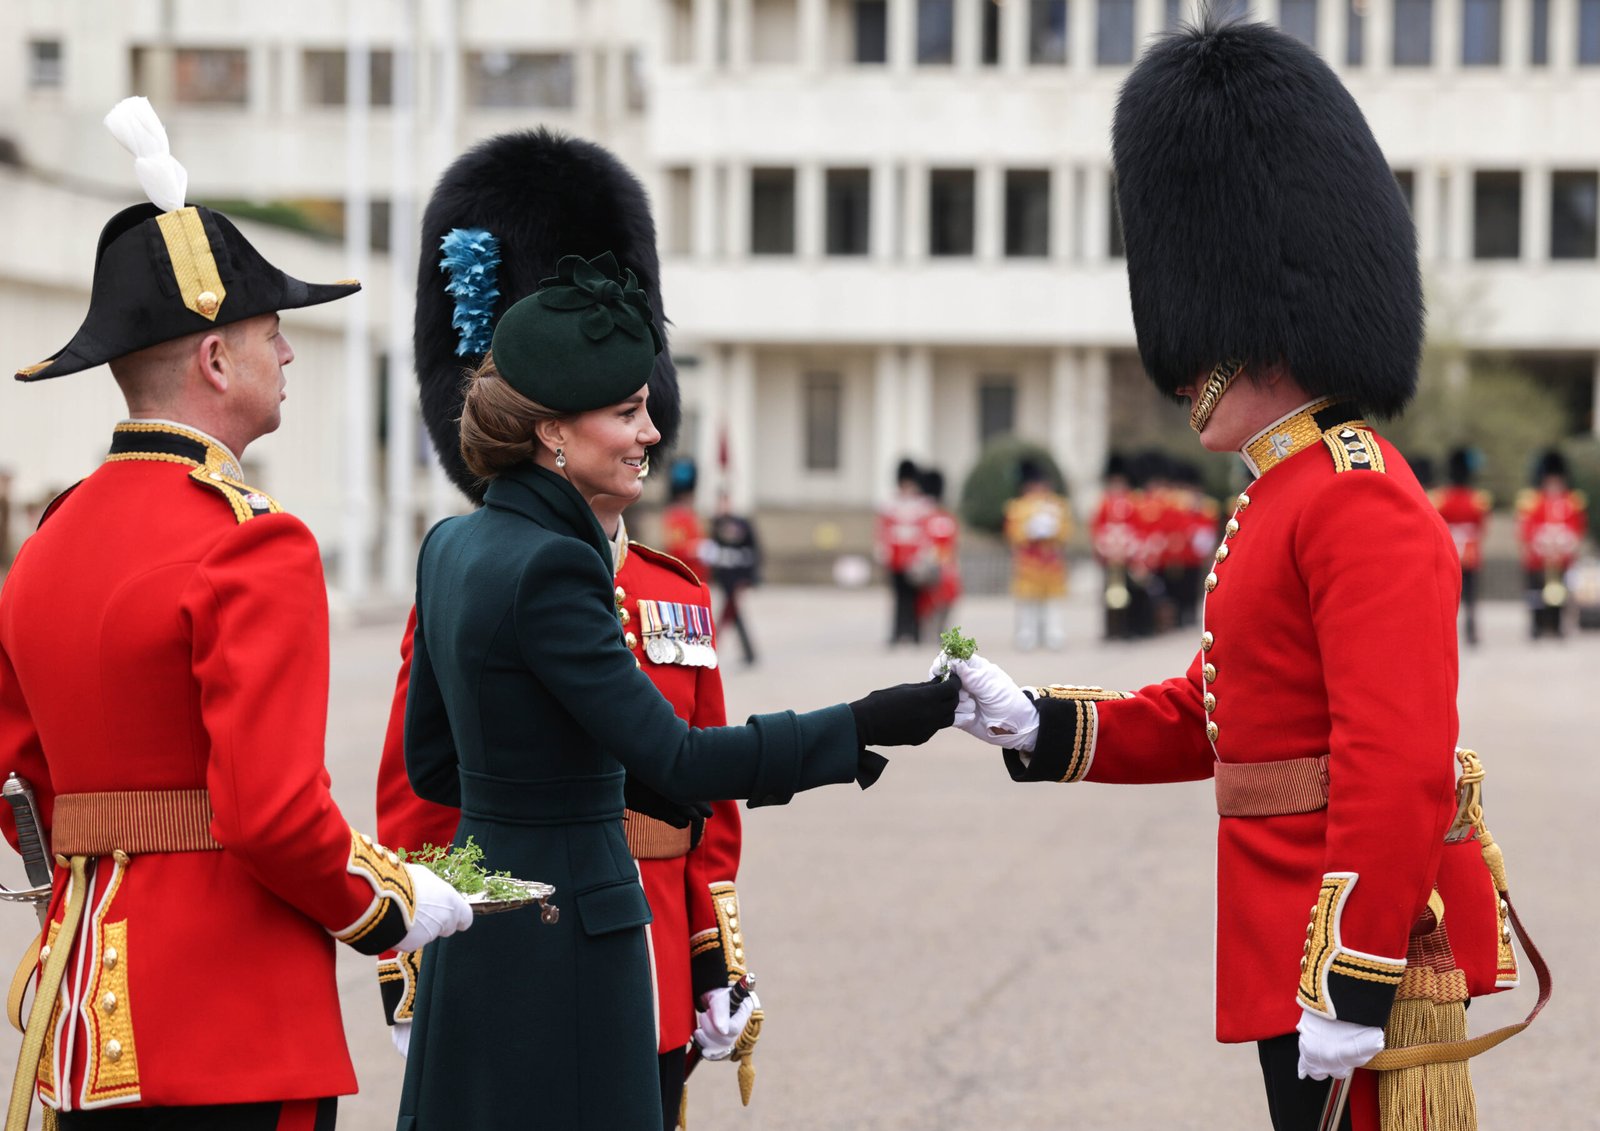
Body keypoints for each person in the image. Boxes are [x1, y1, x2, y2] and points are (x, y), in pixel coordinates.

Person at [939, 21, 1514, 1131]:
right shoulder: (1282, 490)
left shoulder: (1352, 492)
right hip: (1280, 940)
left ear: (1255, 327)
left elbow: (1394, 763)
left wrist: (1352, 975)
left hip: (1348, 950)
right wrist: (1041, 726)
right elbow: (1223, 718)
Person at [394, 248, 957, 1130]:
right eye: (626, 412)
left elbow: (432, 766)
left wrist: (539, 804)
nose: (651, 432)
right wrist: (862, 724)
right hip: (575, 939)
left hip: (485, 928)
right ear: (553, 433)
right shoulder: (554, 564)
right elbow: (681, 759)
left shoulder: (449, 547)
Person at [0, 98, 471, 1131]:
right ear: (215, 359)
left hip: (86, 1013)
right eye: (271, 334)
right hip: (230, 1024)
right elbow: (270, 812)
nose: (288, 357)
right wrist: (391, 906)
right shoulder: (253, 539)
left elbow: (21, 790)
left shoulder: (46, 545)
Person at [372, 130, 763, 1129]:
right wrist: (412, 960)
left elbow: (705, 798)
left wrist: (713, 953)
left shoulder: (673, 589)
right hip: (519, 938)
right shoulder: (475, 572)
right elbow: (422, 786)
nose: (641, 429)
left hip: (653, 950)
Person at [1516, 448, 1587, 640]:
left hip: (1561, 556)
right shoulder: (1533, 501)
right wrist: (1542, 546)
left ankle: (1556, 625)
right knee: (1536, 594)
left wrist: (1564, 546)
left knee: (1559, 594)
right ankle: (1537, 625)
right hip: (1538, 557)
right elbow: (1527, 528)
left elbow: (1576, 528)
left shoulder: (1572, 502)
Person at [1003, 459, 1072, 650]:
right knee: (1028, 603)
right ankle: (1027, 635)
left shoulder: (1058, 505)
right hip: (1029, 562)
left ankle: (1054, 634)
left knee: (1053, 602)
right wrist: (1030, 531)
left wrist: (1054, 531)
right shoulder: (1017, 507)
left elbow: (1066, 532)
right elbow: (1013, 534)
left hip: (1051, 561)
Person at [1431, 448, 1493, 645]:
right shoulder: (1478, 500)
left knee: (1446, 596)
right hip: (1470, 551)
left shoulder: (1441, 498)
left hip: (1449, 551)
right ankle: (1471, 632)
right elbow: (1481, 527)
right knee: (1471, 597)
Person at [877, 459, 933, 645]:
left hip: (914, 559)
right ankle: (898, 632)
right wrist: (883, 550)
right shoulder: (890, 505)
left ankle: (915, 633)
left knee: (916, 599)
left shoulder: (923, 505)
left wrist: (923, 555)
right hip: (896, 558)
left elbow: (926, 533)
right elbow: (884, 530)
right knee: (898, 597)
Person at [707, 493, 763, 667]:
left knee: (729, 613)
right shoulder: (716, 524)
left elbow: (753, 549)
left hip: (738, 575)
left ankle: (712, 648)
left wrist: (750, 576)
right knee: (733, 614)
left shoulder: (741, 523)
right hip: (725, 576)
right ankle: (748, 653)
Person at [1090, 454, 1140, 640]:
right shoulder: (1104, 504)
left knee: (1127, 593)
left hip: (1126, 555)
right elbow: (1097, 528)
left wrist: (1129, 550)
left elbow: (1137, 529)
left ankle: (1125, 627)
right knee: (1107, 594)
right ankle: (1111, 630)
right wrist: (1104, 549)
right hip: (1109, 555)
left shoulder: (1133, 502)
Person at [916, 467, 962, 635]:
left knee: (944, 599)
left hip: (944, 564)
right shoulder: (939, 518)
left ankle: (938, 631)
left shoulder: (940, 517)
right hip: (933, 563)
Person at [661, 457, 710, 578]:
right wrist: (696, 550)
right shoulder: (674, 516)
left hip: (697, 574)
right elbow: (675, 547)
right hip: (683, 573)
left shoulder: (692, 514)